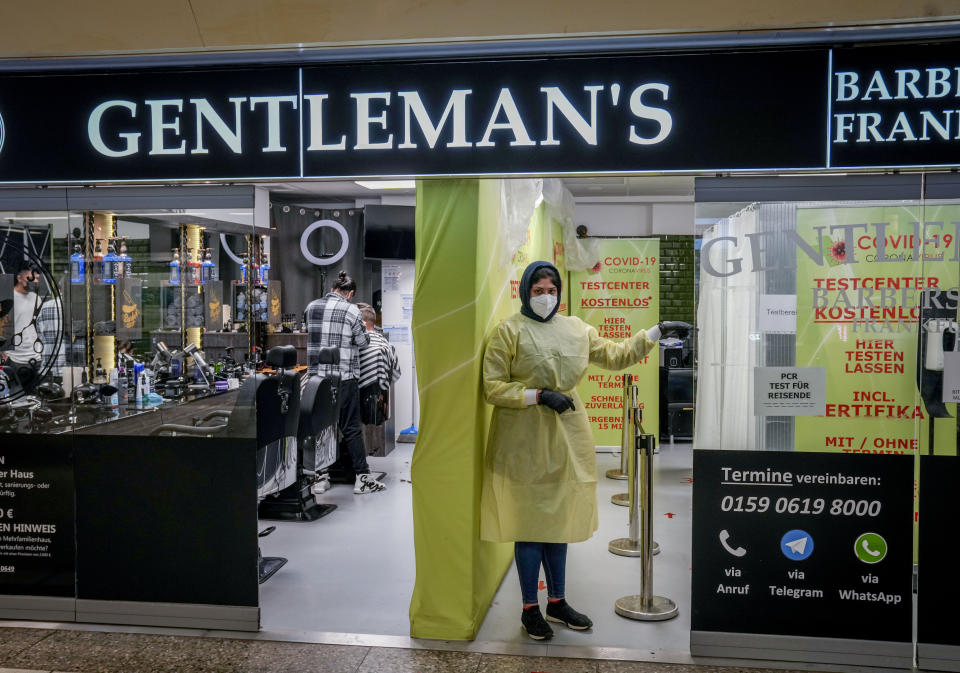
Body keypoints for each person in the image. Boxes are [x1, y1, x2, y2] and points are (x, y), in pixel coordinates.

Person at [481, 260, 672, 641]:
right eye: (538, 291)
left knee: (559, 525)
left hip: (567, 438)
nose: (545, 297)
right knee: (529, 528)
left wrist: (657, 331)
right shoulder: (508, 332)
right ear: (525, 293)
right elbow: (493, 387)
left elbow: (617, 356)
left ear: (560, 294)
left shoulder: (577, 330)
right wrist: (537, 395)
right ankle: (529, 609)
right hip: (523, 442)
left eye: (551, 290)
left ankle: (557, 602)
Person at [305, 270, 386, 495]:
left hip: (317, 379)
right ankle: (362, 478)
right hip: (344, 377)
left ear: (332, 289)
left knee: (321, 427)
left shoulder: (311, 307)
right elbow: (362, 341)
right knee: (350, 428)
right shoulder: (351, 310)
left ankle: (320, 478)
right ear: (349, 293)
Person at [1, 262, 43, 394]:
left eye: (36, 279)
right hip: (14, 358)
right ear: (20, 278)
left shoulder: (36, 298)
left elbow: (39, 326)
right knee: (16, 398)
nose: (34, 282)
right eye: (31, 278)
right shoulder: (7, 298)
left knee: (35, 397)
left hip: (36, 357)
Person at [357, 304, 401, 425]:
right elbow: (395, 370)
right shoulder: (385, 343)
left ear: (363, 322)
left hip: (362, 393)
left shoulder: (359, 344)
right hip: (380, 392)